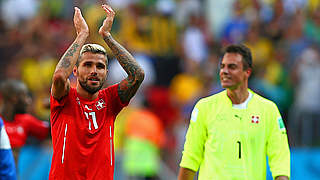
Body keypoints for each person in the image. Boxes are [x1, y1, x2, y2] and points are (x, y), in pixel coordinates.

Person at [49, 4, 144, 180]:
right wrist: (82, 35)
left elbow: (137, 75)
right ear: (75, 71)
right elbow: (60, 76)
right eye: (87, 65)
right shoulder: (65, 97)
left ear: (106, 73)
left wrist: (107, 36)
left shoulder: (110, 100)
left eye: (100, 66)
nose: (94, 70)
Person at [178, 44, 290, 180]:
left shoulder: (268, 110)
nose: (224, 71)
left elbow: (279, 156)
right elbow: (190, 158)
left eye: (232, 67)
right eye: (222, 66)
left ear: (247, 72)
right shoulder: (204, 107)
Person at [0, 79, 49, 162]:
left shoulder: (26, 121)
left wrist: (56, 106)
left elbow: (54, 130)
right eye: (25, 96)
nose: (29, 101)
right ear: (14, 98)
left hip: (13, 175)